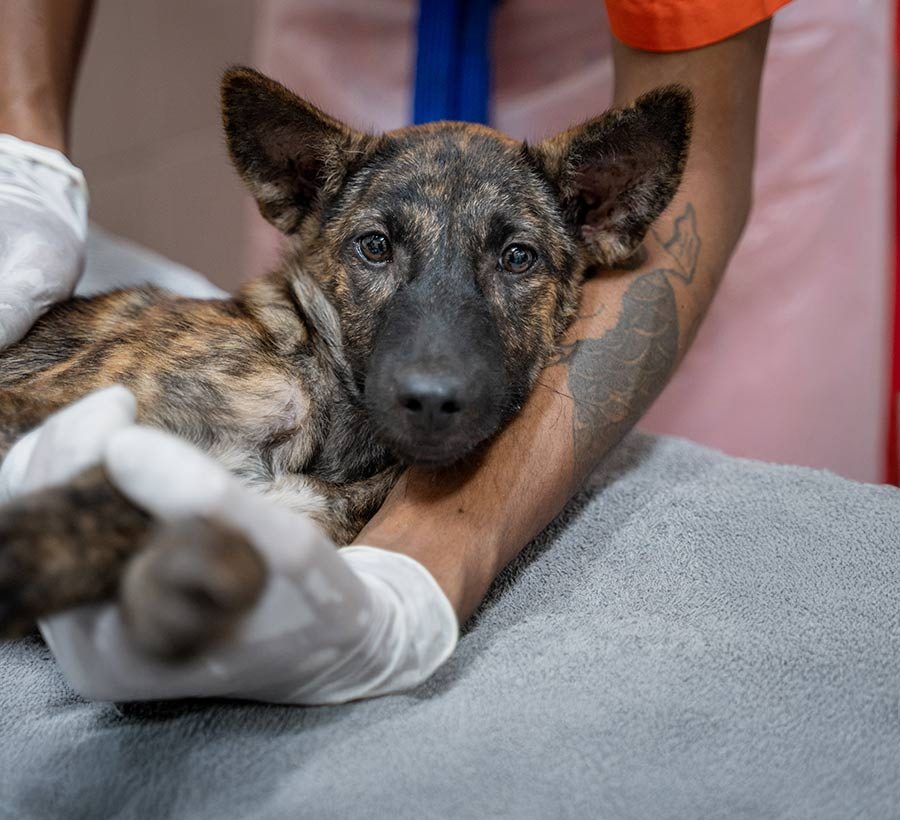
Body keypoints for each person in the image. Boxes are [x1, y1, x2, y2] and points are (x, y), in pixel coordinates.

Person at [0, 0, 787, 703]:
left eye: (515, 258)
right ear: (300, 194)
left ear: (598, 218)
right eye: (376, 247)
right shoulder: (237, 367)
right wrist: (23, 148)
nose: (434, 373)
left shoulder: (367, 498)